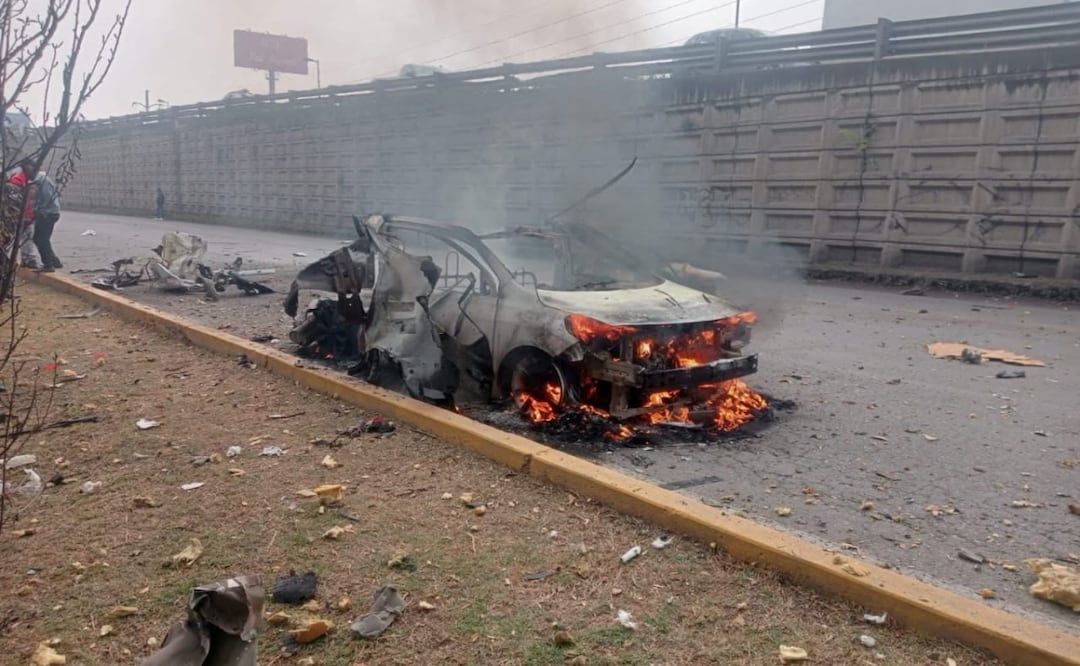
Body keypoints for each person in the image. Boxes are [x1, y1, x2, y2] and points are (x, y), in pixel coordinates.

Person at [19, 160, 61, 271]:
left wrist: (41, 211)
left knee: (40, 238)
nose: (27, 173)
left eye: (28, 170)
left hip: (48, 213)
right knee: (41, 238)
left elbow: (48, 197)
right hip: (46, 212)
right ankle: (53, 261)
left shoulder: (42, 180)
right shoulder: (38, 180)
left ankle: (48, 264)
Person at [7, 161, 42, 269]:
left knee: (26, 237)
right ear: (26, 167)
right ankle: (29, 259)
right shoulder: (18, 181)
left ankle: (27, 259)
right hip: (19, 216)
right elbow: (17, 202)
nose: (36, 170)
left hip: (27, 215)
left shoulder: (28, 181)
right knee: (24, 237)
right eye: (33, 167)